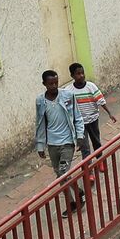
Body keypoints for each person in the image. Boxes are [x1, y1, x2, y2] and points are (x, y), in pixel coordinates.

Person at [34, 70, 84, 215]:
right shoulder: (40, 101)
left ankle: (75, 198)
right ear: (44, 84)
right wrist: (40, 145)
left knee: (63, 172)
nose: (54, 86)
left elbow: (77, 117)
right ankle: (73, 199)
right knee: (59, 175)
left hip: (67, 141)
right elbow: (40, 123)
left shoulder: (67, 96)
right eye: (50, 83)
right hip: (52, 144)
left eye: (56, 82)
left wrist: (79, 136)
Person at [65, 62, 115, 158]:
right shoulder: (68, 91)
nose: (81, 76)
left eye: (82, 73)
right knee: (85, 147)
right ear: (72, 76)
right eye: (78, 74)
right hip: (80, 123)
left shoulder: (91, 86)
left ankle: (100, 159)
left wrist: (109, 113)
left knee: (96, 141)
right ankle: (88, 168)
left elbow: (100, 100)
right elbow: (67, 107)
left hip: (93, 119)